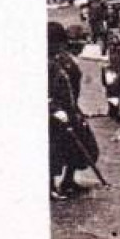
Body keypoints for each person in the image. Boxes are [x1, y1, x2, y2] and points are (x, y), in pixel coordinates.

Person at [49, 22, 97, 200]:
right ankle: (51, 186)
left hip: (70, 109)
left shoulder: (65, 60)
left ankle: (69, 180)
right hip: (56, 114)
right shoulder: (52, 63)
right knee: (54, 152)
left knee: (82, 146)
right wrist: (54, 109)